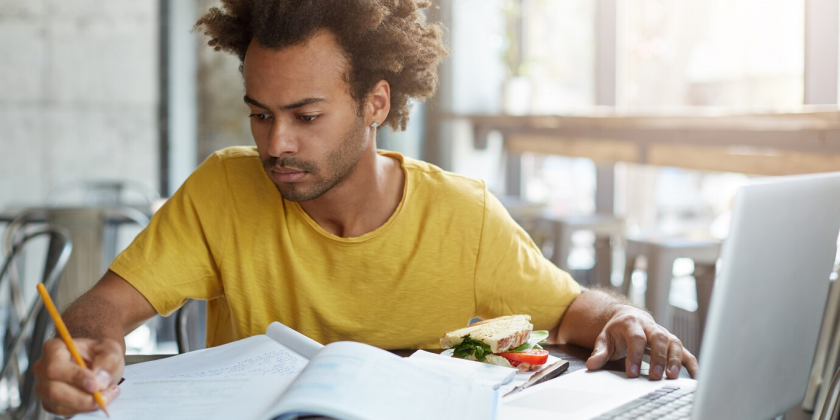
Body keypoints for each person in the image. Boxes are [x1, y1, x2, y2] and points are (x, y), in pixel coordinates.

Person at [33, 1, 698, 416]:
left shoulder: (461, 217)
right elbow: (102, 309)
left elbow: (578, 311)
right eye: (260, 115)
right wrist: (87, 346)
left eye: (307, 116)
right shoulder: (222, 191)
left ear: (376, 104)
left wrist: (629, 317)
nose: (277, 143)